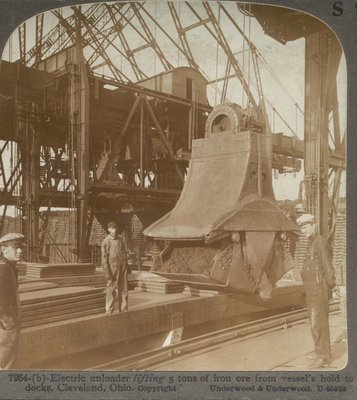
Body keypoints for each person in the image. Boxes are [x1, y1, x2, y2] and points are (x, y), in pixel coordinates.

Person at [297, 213, 336, 368]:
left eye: (306, 227)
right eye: (302, 229)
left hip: (319, 289)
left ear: (313, 225)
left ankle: (324, 357)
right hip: (312, 288)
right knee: (314, 322)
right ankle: (319, 351)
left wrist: (332, 285)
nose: (304, 231)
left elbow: (327, 265)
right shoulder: (312, 242)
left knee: (319, 323)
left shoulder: (320, 243)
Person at [0, 233, 26, 369]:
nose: (20, 250)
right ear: (4, 250)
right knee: (5, 366)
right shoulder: (3, 270)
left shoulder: (9, 267)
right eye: (15, 247)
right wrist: (7, 323)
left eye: (21, 247)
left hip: (8, 325)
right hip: (5, 328)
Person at [101, 222, 128, 314]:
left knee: (124, 288)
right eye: (112, 228)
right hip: (113, 268)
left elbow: (124, 253)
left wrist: (127, 266)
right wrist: (107, 272)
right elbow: (104, 259)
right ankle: (109, 309)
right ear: (108, 229)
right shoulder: (106, 241)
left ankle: (124, 308)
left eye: (115, 228)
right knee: (111, 289)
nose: (115, 230)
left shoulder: (120, 240)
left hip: (122, 266)